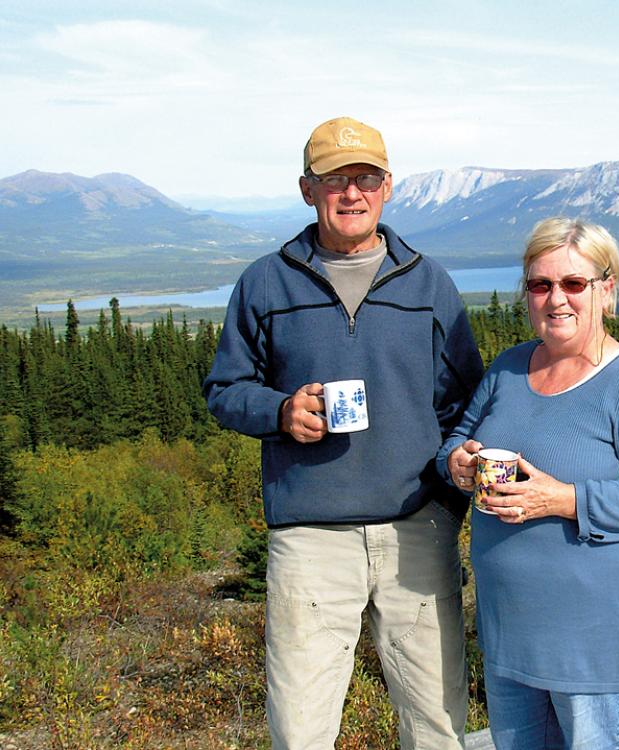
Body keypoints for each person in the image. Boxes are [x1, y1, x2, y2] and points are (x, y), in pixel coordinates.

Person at [204, 116, 483, 750]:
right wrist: (279, 411)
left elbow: (463, 404)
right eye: (335, 180)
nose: (351, 194)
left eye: (365, 179)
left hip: (417, 530)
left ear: (388, 188)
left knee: (436, 723)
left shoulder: (429, 283)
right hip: (308, 540)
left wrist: (449, 495)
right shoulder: (264, 283)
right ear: (308, 190)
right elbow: (224, 389)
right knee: (301, 729)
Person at [438, 217, 619, 749]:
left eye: (574, 284)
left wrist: (562, 499)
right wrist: (456, 461)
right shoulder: (507, 370)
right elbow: (458, 437)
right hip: (511, 628)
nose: (557, 299)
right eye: (540, 284)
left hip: (593, 638)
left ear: (606, 289)